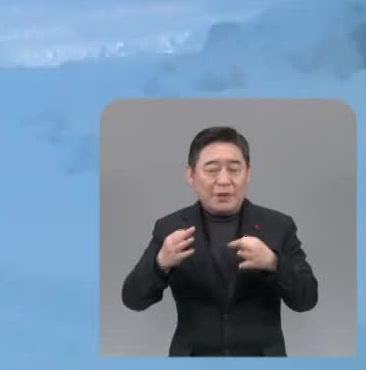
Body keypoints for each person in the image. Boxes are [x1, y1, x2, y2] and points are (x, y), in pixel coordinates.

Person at [119, 124, 319, 356]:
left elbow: (307, 299)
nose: (224, 181)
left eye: (234, 169)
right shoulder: (170, 228)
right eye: (212, 170)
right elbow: (133, 299)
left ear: (249, 172)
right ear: (191, 175)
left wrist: (274, 263)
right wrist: (160, 263)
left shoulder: (278, 225)